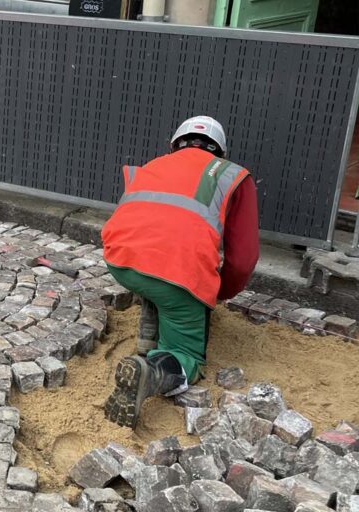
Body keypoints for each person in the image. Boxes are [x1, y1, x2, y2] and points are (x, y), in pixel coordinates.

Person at [101, 116, 260, 429]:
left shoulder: (153, 166)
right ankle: (153, 371)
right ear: (220, 151)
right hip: (176, 275)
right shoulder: (233, 176)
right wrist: (211, 294)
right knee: (185, 349)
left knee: (154, 278)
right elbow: (243, 259)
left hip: (120, 261)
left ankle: (148, 339)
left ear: (175, 144)